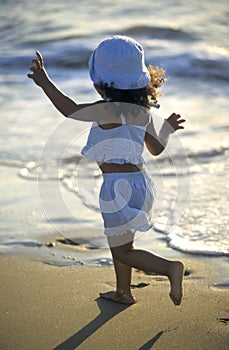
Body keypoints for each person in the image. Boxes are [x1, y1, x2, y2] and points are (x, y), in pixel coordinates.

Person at [28, 35, 185, 306]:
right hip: (141, 183)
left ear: (101, 84)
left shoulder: (106, 109)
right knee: (122, 243)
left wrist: (44, 82)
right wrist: (167, 130)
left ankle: (170, 267)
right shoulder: (142, 112)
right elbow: (156, 149)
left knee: (123, 250)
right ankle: (124, 292)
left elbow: (70, 110)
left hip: (117, 186)